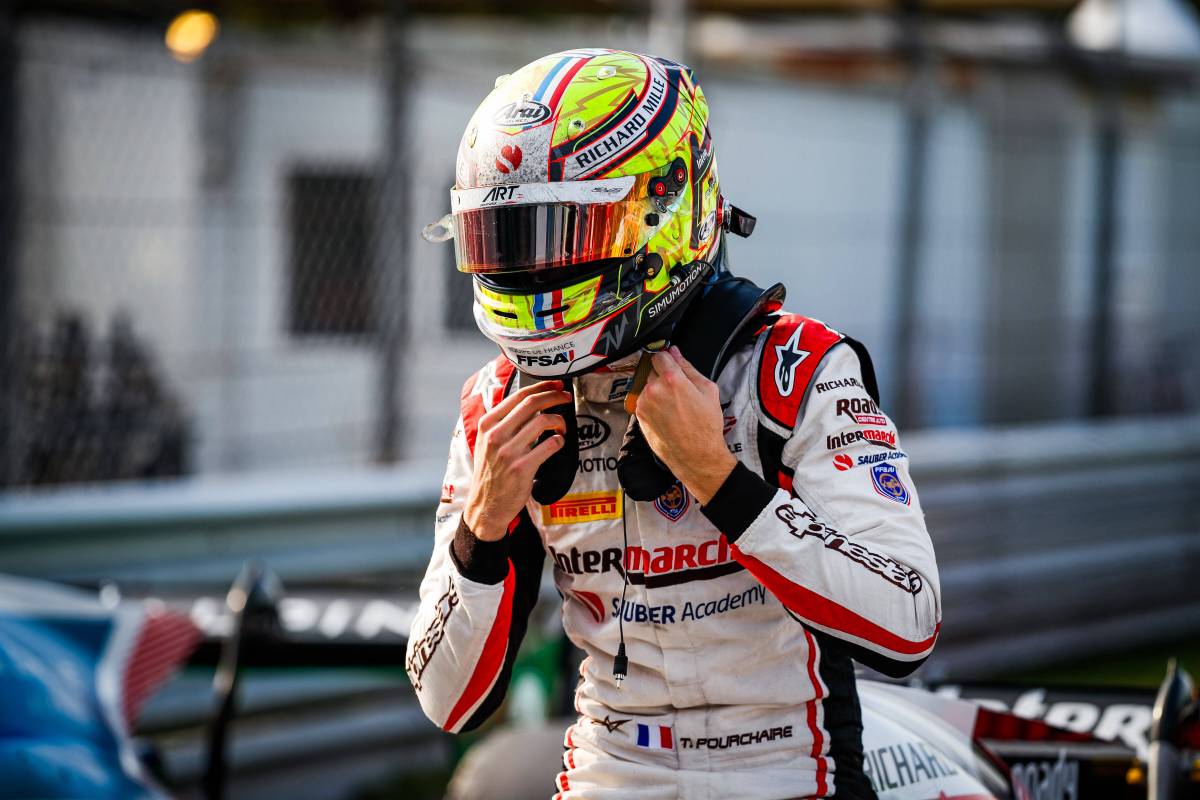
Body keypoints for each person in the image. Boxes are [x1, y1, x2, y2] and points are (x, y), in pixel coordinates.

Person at [407, 49, 940, 799]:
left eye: (560, 233)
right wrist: (482, 526)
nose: (530, 269)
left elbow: (908, 620)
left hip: (787, 775)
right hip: (609, 775)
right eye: (508, 238)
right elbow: (447, 700)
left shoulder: (795, 369)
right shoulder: (497, 407)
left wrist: (718, 479)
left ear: (667, 211)